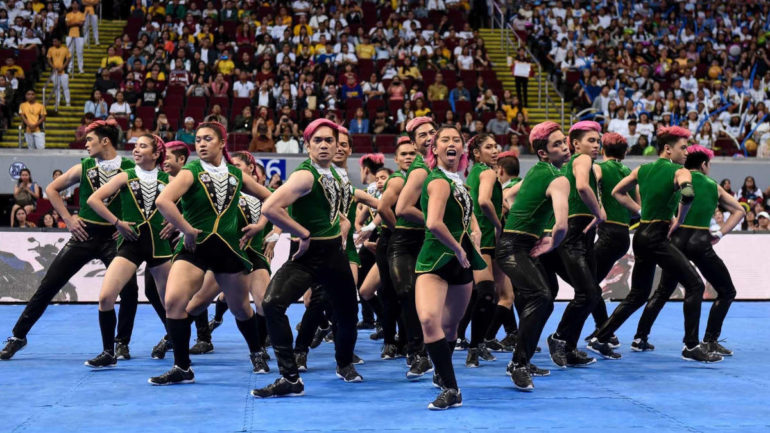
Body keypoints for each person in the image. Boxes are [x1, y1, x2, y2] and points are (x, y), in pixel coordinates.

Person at [1, 120, 139, 361]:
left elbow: (141, 202)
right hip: (84, 234)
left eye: (90, 140)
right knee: (48, 286)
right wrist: (68, 219)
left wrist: (126, 223)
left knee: (130, 290)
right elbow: (52, 189)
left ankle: (121, 343)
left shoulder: (129, 167)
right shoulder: (84, 167)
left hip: (113, 238)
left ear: (105, 141)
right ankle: (18, 336)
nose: (85, 144)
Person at [150, 121, 272, 385]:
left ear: (222, 143)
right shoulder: (190, 170)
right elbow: (163, 201)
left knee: (241, 309)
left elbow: (270, 198)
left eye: (208, 139)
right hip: (195, 249)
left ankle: (256, 351)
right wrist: (187, 230)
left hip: (229, 250)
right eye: (198, 140)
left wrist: (262, 224)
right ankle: (182, 367)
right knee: (173, 302)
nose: (202, 144)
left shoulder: (236, 174)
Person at [588, 126, 722, 363]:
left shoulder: (642, 169)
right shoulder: (680, 172)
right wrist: (679, 220)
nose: (686, 152)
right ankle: (691, 346)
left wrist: (639, 211)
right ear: (667, 149)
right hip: (659, 236)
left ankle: (601, 336)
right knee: (693, 285)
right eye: (682, 148)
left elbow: (618, 192)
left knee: (638, 294)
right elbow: (688, 195)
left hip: (640, 235)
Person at [252, 119, 362, 398]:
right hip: (309, 255)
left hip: (335, 254)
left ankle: (344, 364)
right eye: (318, 140)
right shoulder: (305, 175)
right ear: (307, 145)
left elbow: (334, 210)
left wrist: (344, 223)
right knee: (272, 304)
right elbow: (270, 207)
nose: (324, 145)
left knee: (348, 314)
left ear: (338, 145)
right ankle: (290, 377)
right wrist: (302, 234)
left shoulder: (336, 175)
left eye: (329, 140)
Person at [633, 145, 745, 355]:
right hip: (700, 242)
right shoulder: (713, 185)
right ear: (704, 165)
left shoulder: (676, 179)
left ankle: (640, 337)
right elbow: (739, 210)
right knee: (726, 291)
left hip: (675, 240)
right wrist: (720, 233)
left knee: (662, 291)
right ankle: (709, 340)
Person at [83, 134, 173, 368]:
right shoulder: (126, 175)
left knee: (171, 304)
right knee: (105, 297)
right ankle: (108, 352)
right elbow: (94, 200)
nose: (136, 149)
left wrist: (175, 224)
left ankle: (178, 347)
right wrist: (117, 222)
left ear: (155, 154)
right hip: (130, 244)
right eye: (135, 146)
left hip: (160, 247)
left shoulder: (169, 179)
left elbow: (187, 205)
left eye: (142, 146)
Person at [415, 125, 486, 409]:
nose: (451, 143)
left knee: (452, 328)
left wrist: (475, 235)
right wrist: (458, 248)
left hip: (462, 263)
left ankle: (441, 371)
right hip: (435, 260)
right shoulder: (438, 181)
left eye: (456, 139)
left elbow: (469, 219)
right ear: (434, 149)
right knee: (430, 320)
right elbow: (433, 222)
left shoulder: (460, 183)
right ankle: (451, 388)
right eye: (444, 139)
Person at [496, 121, 570, 391]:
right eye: (557, 144)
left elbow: (507, 196)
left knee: (544, 298)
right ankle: (517, 363)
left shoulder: (536, 173)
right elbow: (561, 225)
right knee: (541, 297)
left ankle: (523, 359)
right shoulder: (559, 178)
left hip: (516, 245)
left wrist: (524, 224)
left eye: (564, 141)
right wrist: (550, 242)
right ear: (543, 153)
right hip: (514, 248)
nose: (565, 147)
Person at [545, 120, 606, 368]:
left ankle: (569, 347)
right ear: (575, 144)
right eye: (591, 140)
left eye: (598, 141)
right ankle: (558, 338)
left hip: (580, 236)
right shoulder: (582, 160)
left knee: (592, 294)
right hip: (574, 236)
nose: (596, 145)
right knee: (588, 293)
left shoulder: (572, 165)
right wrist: (600, 212)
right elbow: (581, 186)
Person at [392, 117, 438, 379]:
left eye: (433, 132)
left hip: (426, 241)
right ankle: (417, 353)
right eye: (423, 135)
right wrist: (434, 223)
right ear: (413, 142)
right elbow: (401, 209)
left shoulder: (438, 167)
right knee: (408, 294)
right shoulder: (421, 170)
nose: (430, 137)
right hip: (405, 242)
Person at [584, 132, 636, 346]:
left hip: (608, 232)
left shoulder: (599, 168)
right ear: (624, 153)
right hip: (623, 233)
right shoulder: (628, 171)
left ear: (603, 149)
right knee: (591, 284)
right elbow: (636, 206)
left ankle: (605, 331)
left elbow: (591, 187)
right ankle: (603, 329)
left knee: (588, 285)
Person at [462, 133, 507, 367]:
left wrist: (503, 205)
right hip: (487, 240)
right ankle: (475, 345)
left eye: (495, 146)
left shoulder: (475, 174)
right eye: (488, 147)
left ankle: (478, 342)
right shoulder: (488, 172)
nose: (495, 150)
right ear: (476, 153)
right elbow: (483, 202)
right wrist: (500, 226)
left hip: (482, 239)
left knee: (499, 295)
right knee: (488, 293)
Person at [376, 136, 417, 359]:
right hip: (391, 241)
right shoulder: (397, 180)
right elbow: (383, 208)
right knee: (391, 293)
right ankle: (390, 341)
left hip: (411, 242)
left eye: (412, 153)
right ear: (396, 159)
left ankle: (407, 340)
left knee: (408, 294)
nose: (409, 157)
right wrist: (399, 228)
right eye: (404, 154)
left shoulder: (420, 177)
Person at [46, 38, 71, 108]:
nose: (54, 43)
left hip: (64, 71)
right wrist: (53, 67)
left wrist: (63, 67)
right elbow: (49, 59)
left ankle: (68, 102)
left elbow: (68, 59)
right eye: (53, 41)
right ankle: (57, 102)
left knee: (66, 87)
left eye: (55, 41)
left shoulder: (65, 49)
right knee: (56, 87)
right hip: (54, 71)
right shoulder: (51, 49)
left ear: (59, 41)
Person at [65, 2, 85, 74]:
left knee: (80, 52)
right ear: (71, 5)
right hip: (70, 35)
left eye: (76, 4)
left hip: (79, 35)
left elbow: (81, 24)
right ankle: (70, 68)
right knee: (70, 52)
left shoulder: (81, 14)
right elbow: (67, 24)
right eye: (73, 4)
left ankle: (80, 68)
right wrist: (76, 23)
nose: (75, 5)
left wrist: (72, 23)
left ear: (78, 5)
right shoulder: (68, 14)